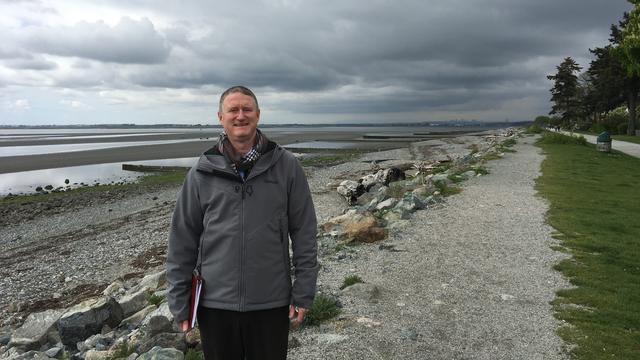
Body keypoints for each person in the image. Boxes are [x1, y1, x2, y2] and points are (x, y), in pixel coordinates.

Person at [166, 86, 319, 360]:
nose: (240, 116)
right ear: (220, 117)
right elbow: (182, 240)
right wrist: (180, 302)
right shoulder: (202, 172)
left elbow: (305, 231)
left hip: (271, 303)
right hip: (215, 305)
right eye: (233, 110)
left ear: (258, 115)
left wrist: (304, 290)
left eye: (247, 109)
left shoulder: (286, 167)